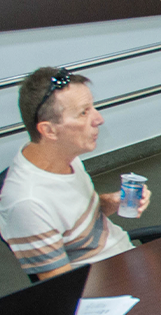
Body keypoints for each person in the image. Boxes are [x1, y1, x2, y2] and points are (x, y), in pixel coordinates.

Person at [0, 68, 149, 279]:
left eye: (92, 107)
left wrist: (114, 201)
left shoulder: (65, 156)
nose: (98, 119)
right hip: (104, 286)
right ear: (49, 130)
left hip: (124, 259)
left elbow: (76, 220)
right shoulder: (27, 203)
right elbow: (62, 291)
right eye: (83, 112)